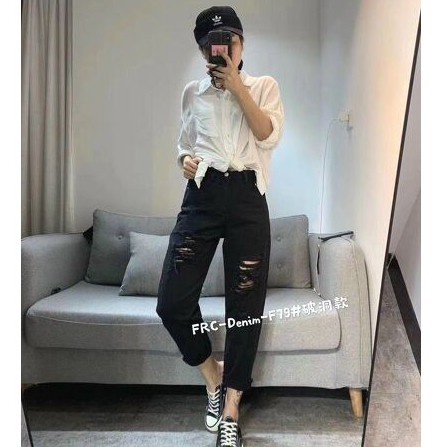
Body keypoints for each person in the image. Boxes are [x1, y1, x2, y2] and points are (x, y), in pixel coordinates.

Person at [156, 6, 284, 447]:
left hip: (248, 196)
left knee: (245, 305)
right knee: (171, 301)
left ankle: (231, 407)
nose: (222, 49)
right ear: (202, 51)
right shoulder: (192, 94)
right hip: (203, 195)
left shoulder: (263, 86)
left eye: (230, 40)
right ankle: (213, 376)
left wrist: (237, 87)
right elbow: (184, 143)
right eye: (212, 44)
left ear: (242, 44)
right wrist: (184, 161)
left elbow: (267, 134)